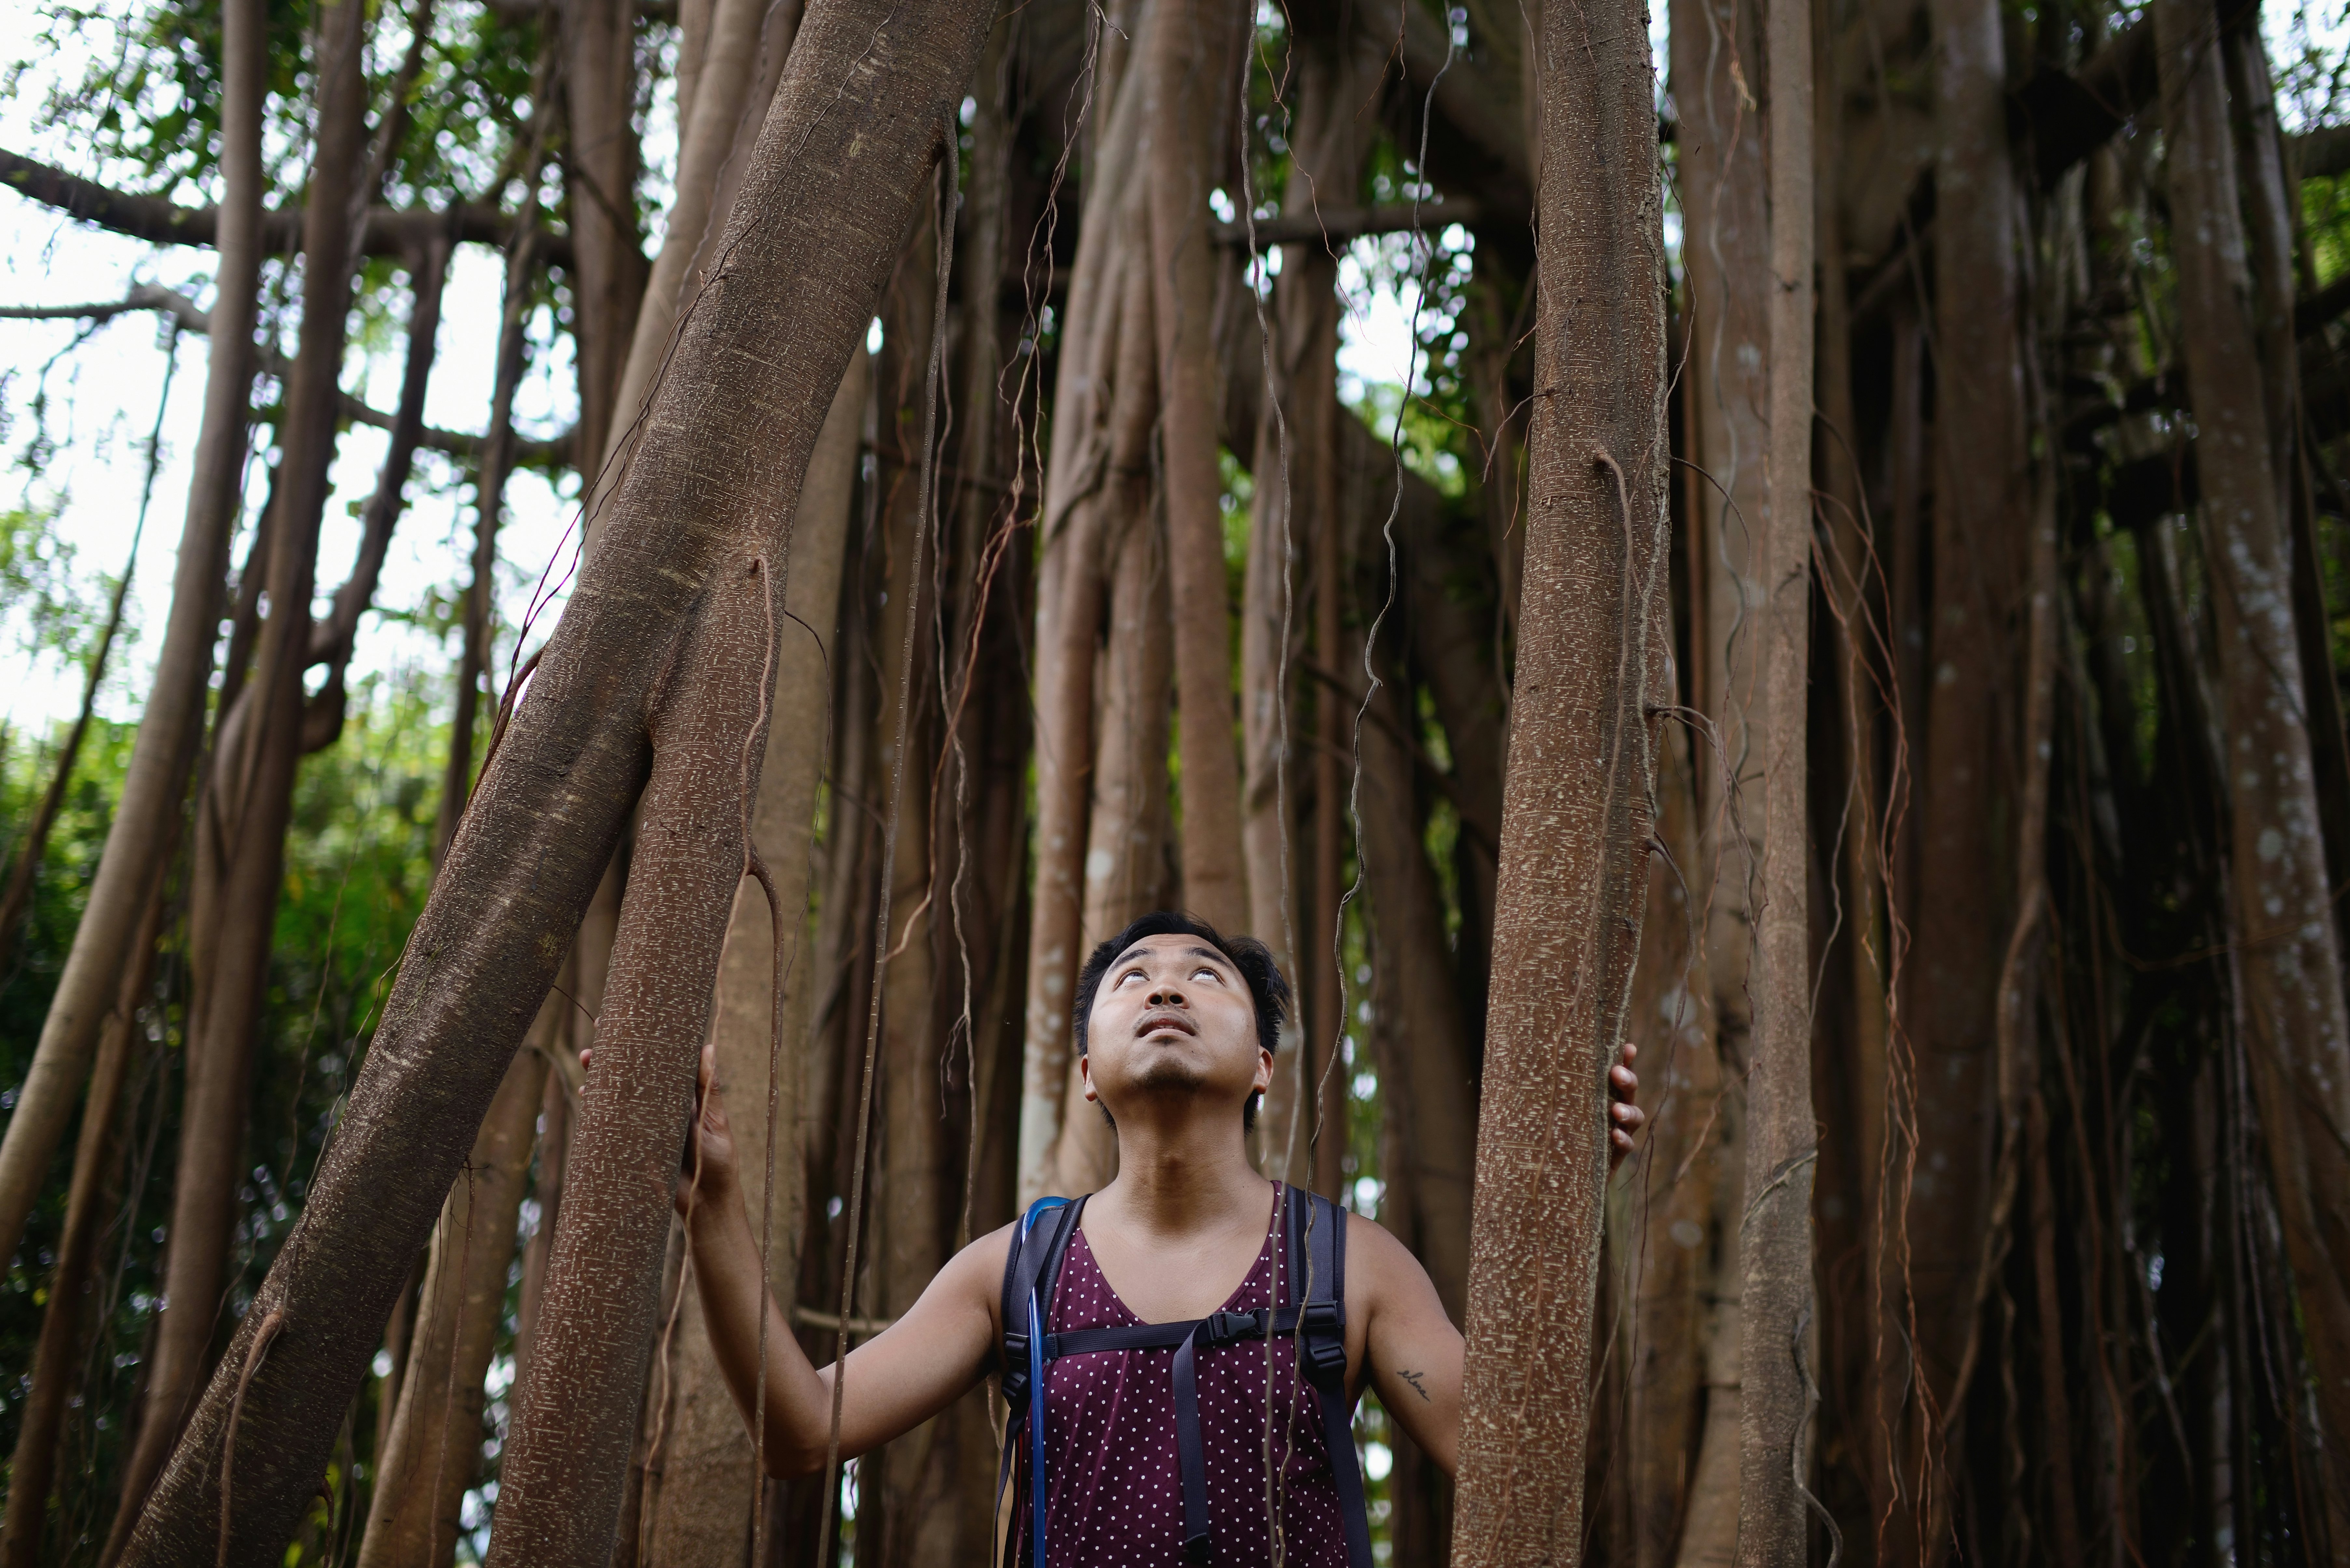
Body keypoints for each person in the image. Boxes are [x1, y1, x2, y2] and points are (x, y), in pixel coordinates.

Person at [666, 910, 1643, 1564]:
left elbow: (1504, 1453)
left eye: (1205, 976)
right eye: (1134, 977)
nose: (1166, 990)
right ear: (1088, 1071)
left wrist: (1562, 1208)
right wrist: (715, 1204)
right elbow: (800, 1430)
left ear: (1263, 1066)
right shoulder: (1018, 1269)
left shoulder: (1346, 1257)